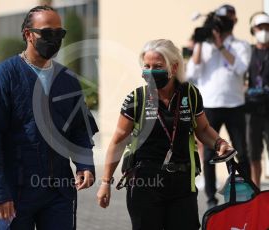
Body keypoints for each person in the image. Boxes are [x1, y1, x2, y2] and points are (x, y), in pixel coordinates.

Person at [0, 5, 98, 230]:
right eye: (47, 33)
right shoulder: (3, 77)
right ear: (28, 34)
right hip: (17, 190)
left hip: (59, 192)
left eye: (59, 33)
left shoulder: (67, 79)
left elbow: (80, 128)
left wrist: (84, 164)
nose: (54, 39)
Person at [97, 39, 233, 230]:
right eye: (147, 66)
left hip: (182, 183)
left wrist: (219, 143)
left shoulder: (190, 94)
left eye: (158, 66)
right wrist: (105, 182)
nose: (151, 71)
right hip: (145, 182)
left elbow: (202, 129)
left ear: (174, 66)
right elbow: (118, 142)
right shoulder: (137, 98)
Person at [186, 4, 251, 209]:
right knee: (208, 152)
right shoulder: (204, 47)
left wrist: (221, 46)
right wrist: (199, 41)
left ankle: (248, 191)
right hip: (210, 105)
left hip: (235, 105)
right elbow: (191, 73)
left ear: (233, 22)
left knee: (242, 150)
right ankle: (211, 197)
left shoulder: (241, 45)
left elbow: (240, 68)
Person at [246, 12, 269, 188]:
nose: (264, 31)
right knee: (253, 153)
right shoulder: (247, 53)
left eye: (267, 27)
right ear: (253, 29)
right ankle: (256, 191)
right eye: (260, 27)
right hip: (252, 110)